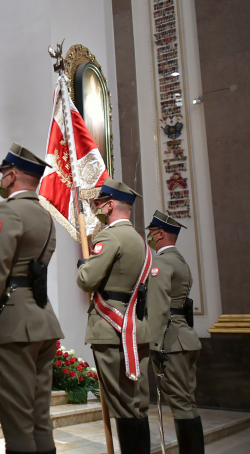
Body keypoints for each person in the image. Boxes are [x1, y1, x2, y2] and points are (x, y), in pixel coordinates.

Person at [0, 143, 64, 454]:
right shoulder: (44, 216)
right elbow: (21, 258)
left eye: (4, 175)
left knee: (18, 425)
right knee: (39, 420)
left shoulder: (8, 211)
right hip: (42, 320)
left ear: (12, 175)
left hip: (13, 325)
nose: (2, 180)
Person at [76, 178, 151, 453]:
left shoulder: (109, 236)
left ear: (110, 205)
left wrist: (83, 266)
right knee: (137, 403)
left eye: (100, 203)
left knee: (122, 404)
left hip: (112, 331)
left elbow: (87, 280)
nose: (97, 207)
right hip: (136, 328)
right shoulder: (140, 241)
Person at [146, 211, 204, 453]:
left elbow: (158, 307)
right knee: (187, 402)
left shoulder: (161, 262)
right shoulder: (180, 260)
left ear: (160, 234)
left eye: (151, 232)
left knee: (180, 404)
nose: (148, 235)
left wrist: (154, 345)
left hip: (171, 341)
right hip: (186, 338)